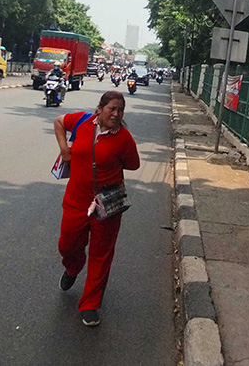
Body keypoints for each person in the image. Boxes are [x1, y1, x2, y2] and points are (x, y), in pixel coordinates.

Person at [54, 91, 140, 327]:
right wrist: (64, 149)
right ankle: (72, 268)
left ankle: (90, 304)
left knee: (101, 254)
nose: (116, 114)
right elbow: (59, 122)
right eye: (112, 108)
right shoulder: (81, 121)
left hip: (107, 203)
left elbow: (133, 164)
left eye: (120, 110)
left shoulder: (123, 138)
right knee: (67, 244)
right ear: (99, 109)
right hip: (76, 201)